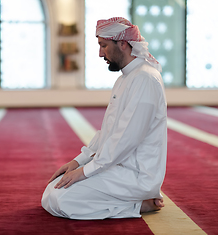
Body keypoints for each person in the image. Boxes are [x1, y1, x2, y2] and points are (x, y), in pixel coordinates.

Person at [41, 17, 167, 220]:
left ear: (123, 44)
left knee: (60, 200)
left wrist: (85, 172)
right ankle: (131, 203)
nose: (100, 53)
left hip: (135, 175)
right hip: (115, 166)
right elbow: (108, 132)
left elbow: (126, 139)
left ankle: (137, 206)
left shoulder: (146, 79)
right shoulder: (124, 79)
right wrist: (77, 162)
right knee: (51, 191)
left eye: (104, 45)